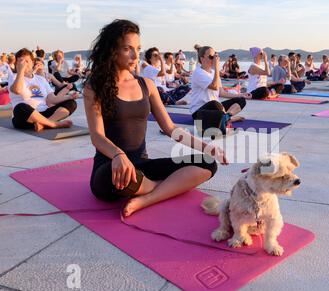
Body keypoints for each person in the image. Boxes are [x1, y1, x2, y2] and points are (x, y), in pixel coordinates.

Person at [84, 20, 226, 217]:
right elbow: (97, 137)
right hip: (111, 167)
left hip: (142, 166)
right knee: (116, 178)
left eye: (138, 49)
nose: (135, 56)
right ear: (112, 50)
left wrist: (206, 147)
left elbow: (170, 128)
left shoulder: (147, 85)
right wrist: (118, 155)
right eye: (128, 49)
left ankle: (147, 197)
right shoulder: (94, 87)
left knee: (208, 163)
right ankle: (164, 186)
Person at [8, 48, 77, 131]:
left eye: (26, 61)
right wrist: (21, 71)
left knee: (71, 103)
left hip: (44, 113)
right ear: (17, 64)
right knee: (20, 107)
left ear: (32, 63)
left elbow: (52, 99)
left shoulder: (41, 79)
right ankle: (53, 124)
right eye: (20, 61)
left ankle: (45, 123)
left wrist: (69, 97)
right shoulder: (14, 77)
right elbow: (17, 90)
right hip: (26, 117)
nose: (23, 64)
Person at [190, 45, 251, 136]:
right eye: (211, 57)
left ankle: (226, 117)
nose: (214, 59)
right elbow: (214, 87)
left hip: (216, 109)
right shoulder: (198, 73)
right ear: (202, 59)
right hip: (199, 112)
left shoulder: (214, 73)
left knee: (241, 100)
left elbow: (221, 92)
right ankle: (225, 119)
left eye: (215, 56)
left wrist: (241, 95)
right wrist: (217, 68)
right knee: (215, 103)